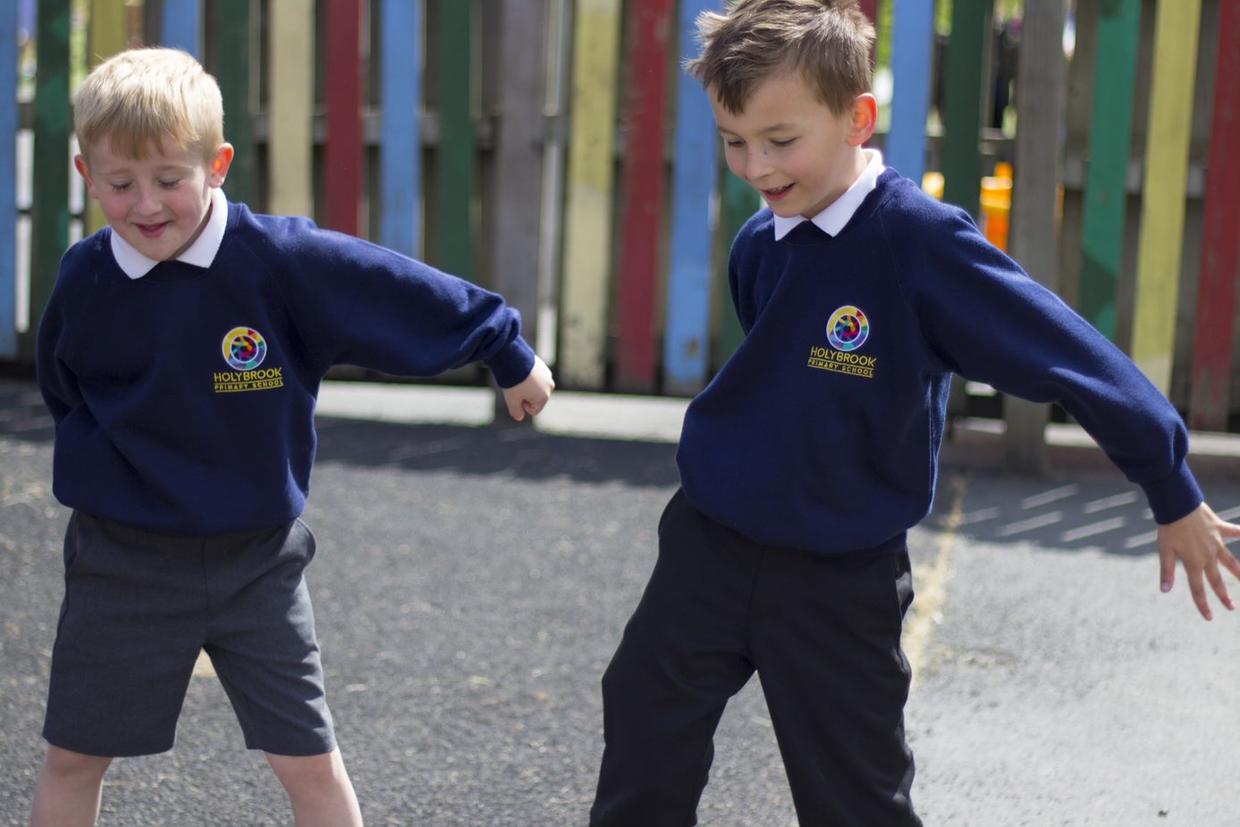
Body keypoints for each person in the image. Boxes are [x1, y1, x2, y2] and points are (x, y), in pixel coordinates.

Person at [589, 1, 1240, 825]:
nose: (755, 165)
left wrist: (1171, 485)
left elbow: (1071, 353)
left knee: (855, 796)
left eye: (779, 140)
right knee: (644, 726)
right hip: (709, 543)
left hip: (837, 577)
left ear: (858, 118)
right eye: (733, 140)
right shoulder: (763, 242)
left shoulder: (918, 244)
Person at [30, 47, 554, 827]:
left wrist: (503, 346)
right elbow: (62, 383)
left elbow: (395, 289)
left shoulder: (279, 262)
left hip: (256, 563)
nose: (145, 204)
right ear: (85, 175)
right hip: (123, 558)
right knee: (73, 755)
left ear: (218, 165)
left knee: (309, 760)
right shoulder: (86, 276)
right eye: (119, 183)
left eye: (169, 179)